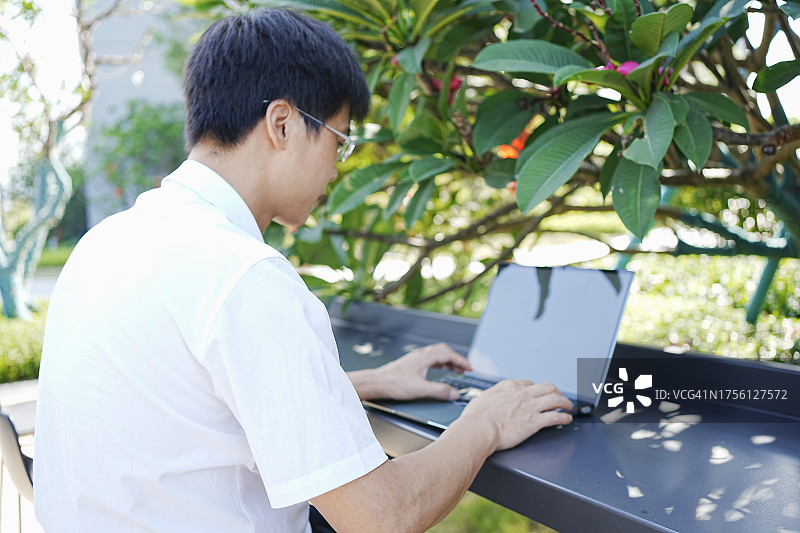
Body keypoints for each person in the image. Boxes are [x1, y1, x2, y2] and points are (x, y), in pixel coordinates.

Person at [33, 8, 573, 532]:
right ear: (283, 124)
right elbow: (378, 517)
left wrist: (361, 384)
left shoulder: (106, 243)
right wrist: (485, 422)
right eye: (339, 140)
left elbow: (190, 400)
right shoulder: (243, 275)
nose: (337, 168)